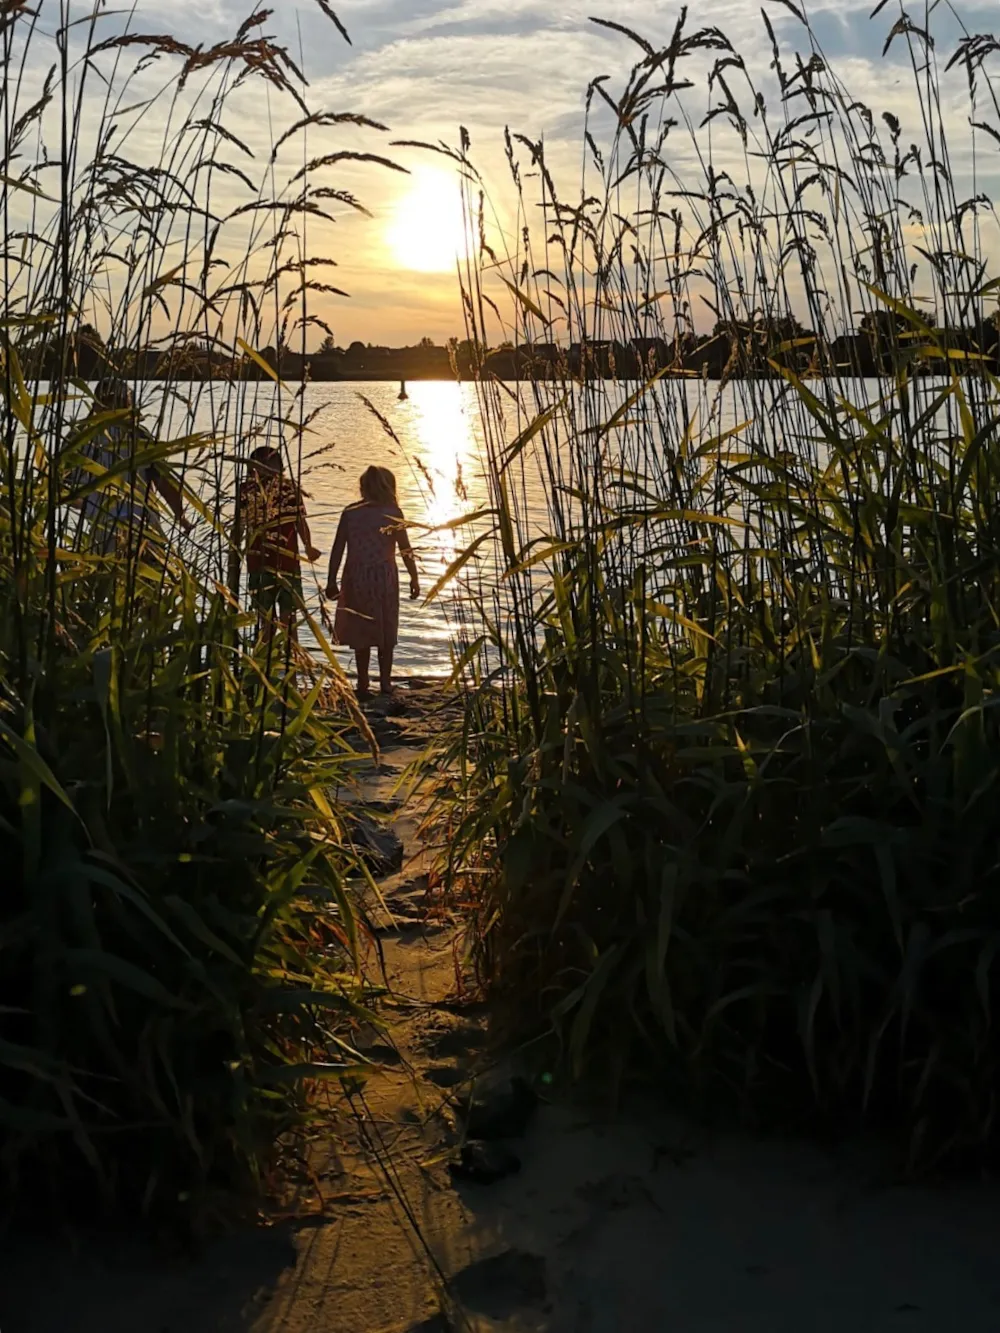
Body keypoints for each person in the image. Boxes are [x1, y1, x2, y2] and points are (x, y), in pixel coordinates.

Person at [326, 466, 419, 698]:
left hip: (356, 578)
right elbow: (405, 549)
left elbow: (338, 548)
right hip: (383, 579)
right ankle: (385, 683)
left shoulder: (350, 512)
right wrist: (414, 576)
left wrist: (331, 580)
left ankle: (363, 683)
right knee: (386, 632)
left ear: (363, 487)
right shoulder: (393, 512)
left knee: (361, 632)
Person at [69, 377, 190, 555]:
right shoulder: (139, 436)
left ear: (96, 404)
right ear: (127, 404)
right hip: (145, 531)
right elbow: (164, 482)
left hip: (103, 533)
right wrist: (182, 518)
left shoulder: (79, 439)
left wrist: (91, 505)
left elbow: (64, 487)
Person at [237, 446, 321, 642]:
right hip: (260, 562)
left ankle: (291, 661)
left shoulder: (289, 487)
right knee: (266, 620)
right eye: (261, 466)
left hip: (286, 561)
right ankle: (269, 661)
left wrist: (308, 546)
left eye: (270, 465)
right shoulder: (247, 489)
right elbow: (240, 523)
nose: (266, 471)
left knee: (288, 617)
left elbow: (299, 520)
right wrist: (236, 551)